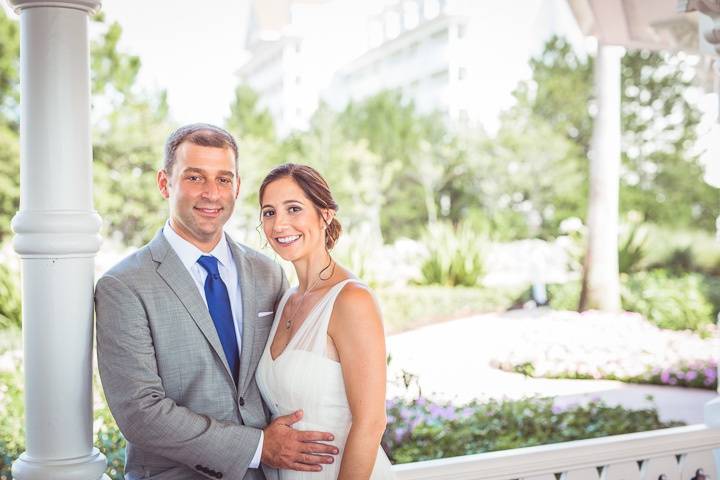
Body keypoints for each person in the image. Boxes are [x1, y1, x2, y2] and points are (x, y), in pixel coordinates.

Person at [95, 124, 339, 480]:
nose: (212, 193)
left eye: (224, 180)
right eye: (195, 178)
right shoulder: (124, 285)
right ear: (164, 183)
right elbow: (140, 413)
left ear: (237, 187)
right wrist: (257, 447)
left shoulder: (268, 273)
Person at [255, 164, 395, 479]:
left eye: (294, 209)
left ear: (325, 214)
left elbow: (371, 422)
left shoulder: (351, 300)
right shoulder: (285, 301)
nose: (280, 224)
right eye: (269, 212)